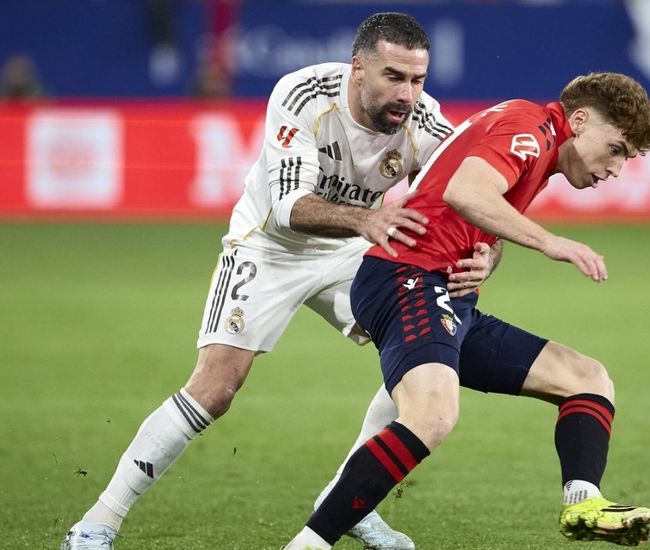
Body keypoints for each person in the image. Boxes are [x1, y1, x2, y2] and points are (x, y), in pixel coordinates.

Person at [62, 12, 495, 550]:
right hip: (269, 245)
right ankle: (97, 522)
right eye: (393, 77)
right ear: (358, 69)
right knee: (216, 388)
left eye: (417, 80)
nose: (407, 94)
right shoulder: (304, 94)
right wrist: (368, 220)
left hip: (354, 248)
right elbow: (291, 208)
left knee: (418, 351)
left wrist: (485, 252)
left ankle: (347, 499)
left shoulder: (425, 123)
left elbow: (475, 199)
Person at [284, 72, 650, 549]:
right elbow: (466, 191)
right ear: (579, 121)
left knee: (587, 378)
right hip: (407, 277)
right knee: (433, 415)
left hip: (446, 293)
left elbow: (470, 205)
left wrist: (485, 254)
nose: (615, 170)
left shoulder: (536, 138)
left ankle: (584, 503)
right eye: (615, 149)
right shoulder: (530, 129)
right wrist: (550, 242)